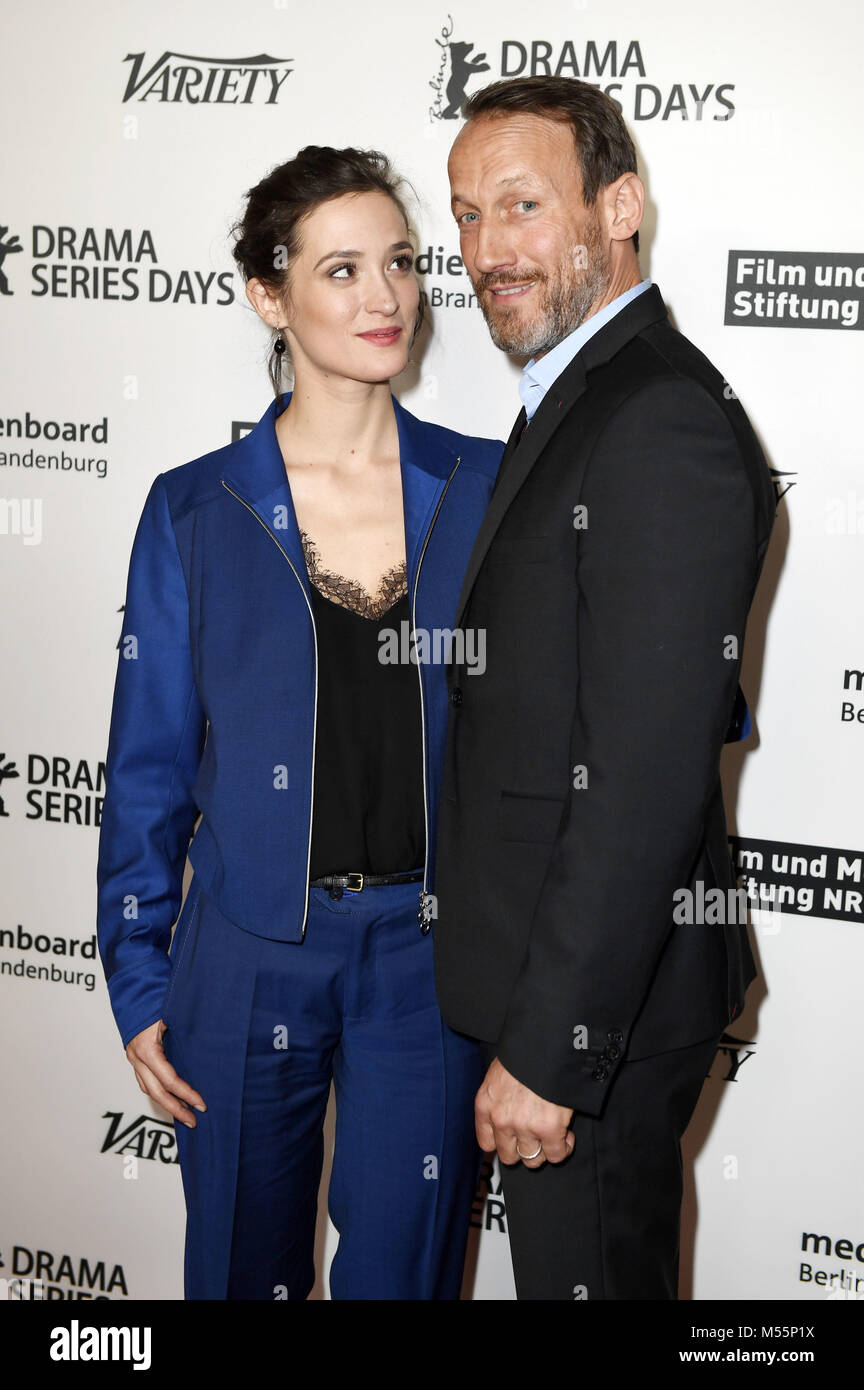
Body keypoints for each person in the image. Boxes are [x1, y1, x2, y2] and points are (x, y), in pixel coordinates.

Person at [96, 145, 503, 1300]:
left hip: (429, 961)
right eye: (341, 270)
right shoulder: (196, 506)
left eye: (401, 264)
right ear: (268, 295)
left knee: (406, 1278)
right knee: (239, 1274)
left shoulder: (485, 486)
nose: (384, 298)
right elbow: (148, 764)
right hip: (245, 956)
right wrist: (136, 977)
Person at [433, 77, 776, 1300]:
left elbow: (640, 778)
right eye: (467, 217)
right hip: (568, 999)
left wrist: (550, 1052)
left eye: (521, 207)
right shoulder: (576, 398)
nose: (485, 252)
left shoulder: (655, 421)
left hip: (595, 1028)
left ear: (618, 206)